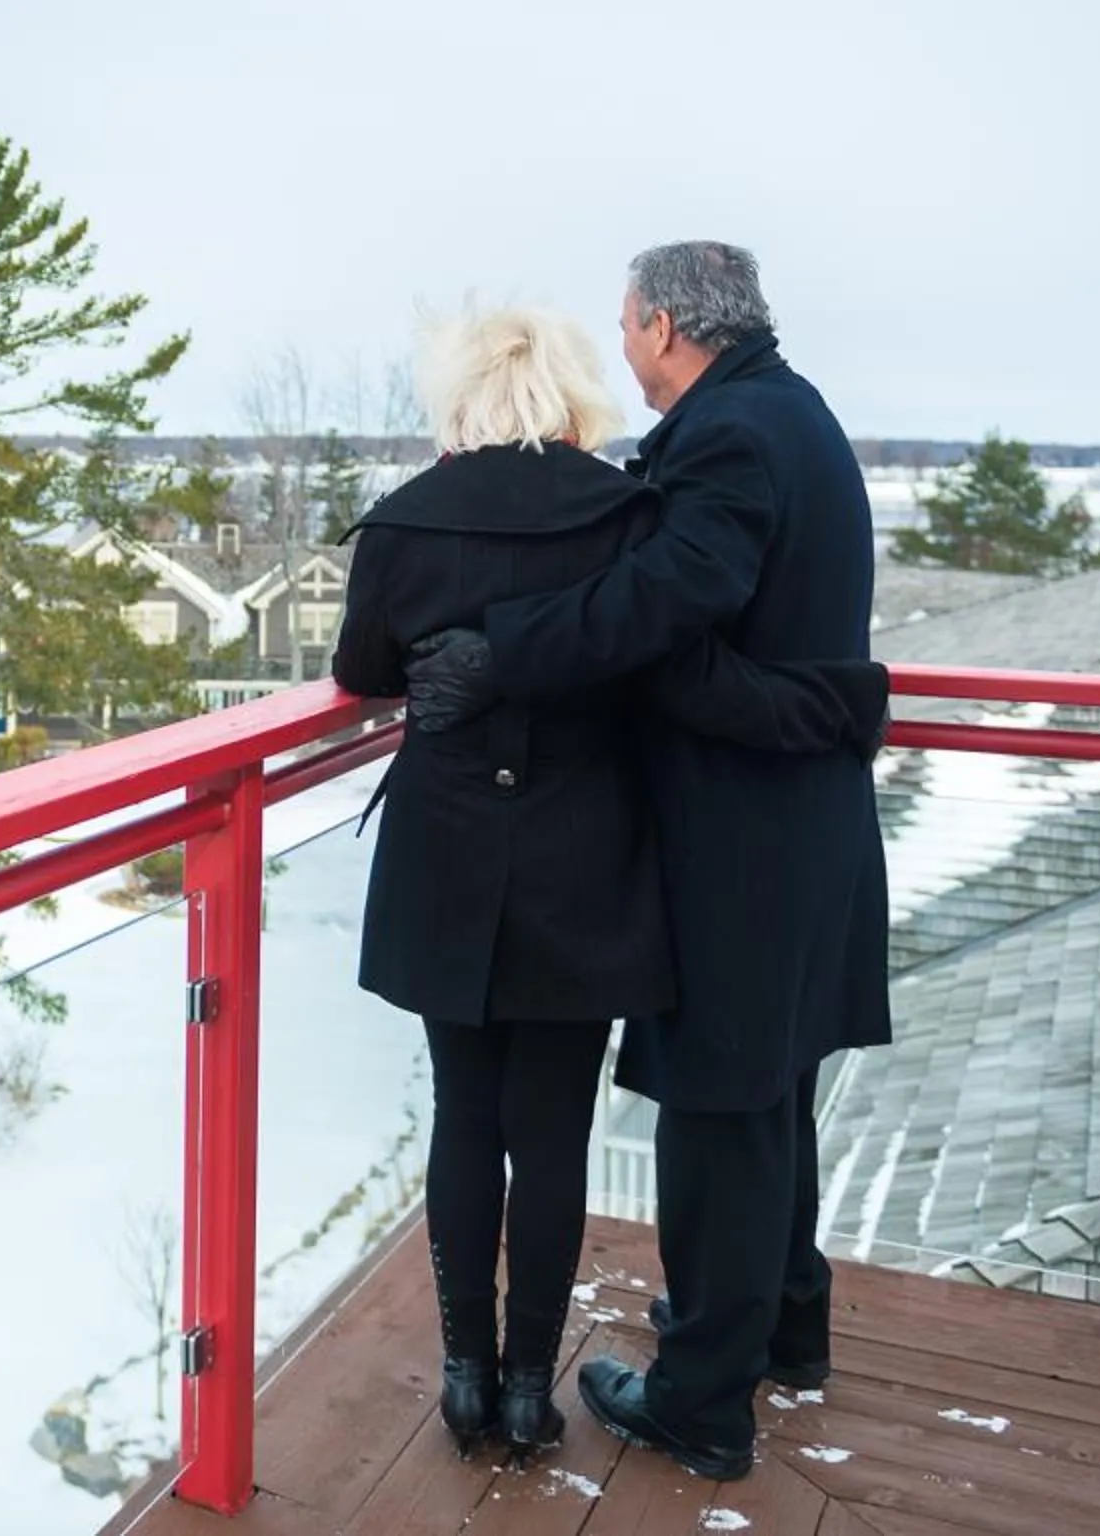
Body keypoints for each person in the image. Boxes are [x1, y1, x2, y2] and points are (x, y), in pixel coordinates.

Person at [335, 301, 884, 1461]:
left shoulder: (401, 520)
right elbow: (656, 654)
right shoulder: (627, 513)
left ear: (459, 393)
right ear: (571, 386)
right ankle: (534, 1387)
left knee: (462, 1120)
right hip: (586, 861)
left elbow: (363, 667)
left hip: (445, 859)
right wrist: (838, 702)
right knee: (552, 1129)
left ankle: (465, 1377)